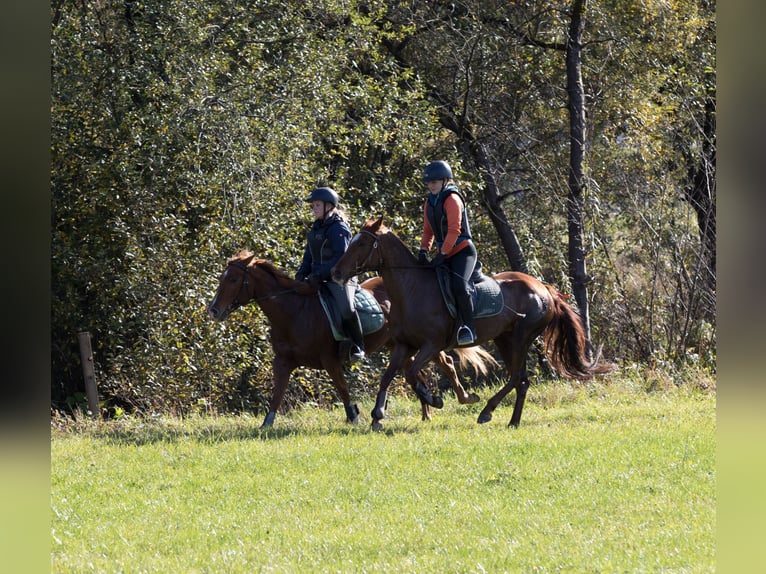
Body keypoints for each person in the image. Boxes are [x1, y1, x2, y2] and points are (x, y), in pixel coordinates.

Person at [295, 186, 365, 362]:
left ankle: (358, 345)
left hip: (340, 278)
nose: (314, 209)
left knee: (346, 308)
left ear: (329, 206)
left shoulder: (338, 228)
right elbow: (309, 254)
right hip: (317, 277)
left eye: (317, 205)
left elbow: (340, 256)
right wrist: (301, 273)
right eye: (313, 206)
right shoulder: (316, 228)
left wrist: (319, 273)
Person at [417, 160, 478, 346]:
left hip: (462, 252)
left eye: (434, 182)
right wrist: (423, 250)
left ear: (445, 180)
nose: (430, 185)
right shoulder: (430, 201)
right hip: (444, 252)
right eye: (428, 182)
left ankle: (469, 328)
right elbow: (428, 231)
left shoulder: (452, 199)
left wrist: (442, 254)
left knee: (459, 285)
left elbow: (454, 231)